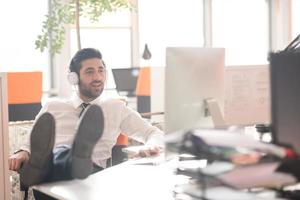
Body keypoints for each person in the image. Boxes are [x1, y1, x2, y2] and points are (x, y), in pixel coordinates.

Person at [9, 48, 164, 188]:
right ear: (73, 78)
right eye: (90, 72)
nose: (98, 77)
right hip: (52, 180)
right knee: (59, 154)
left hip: (92, 179)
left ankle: (69, 159)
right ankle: (62, 159)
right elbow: (30, 144)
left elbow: (153, 133)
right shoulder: (53, 107)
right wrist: (22, 152)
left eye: (101, 70)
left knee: (68, 159)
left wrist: (150, 146)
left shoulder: (115, 108)